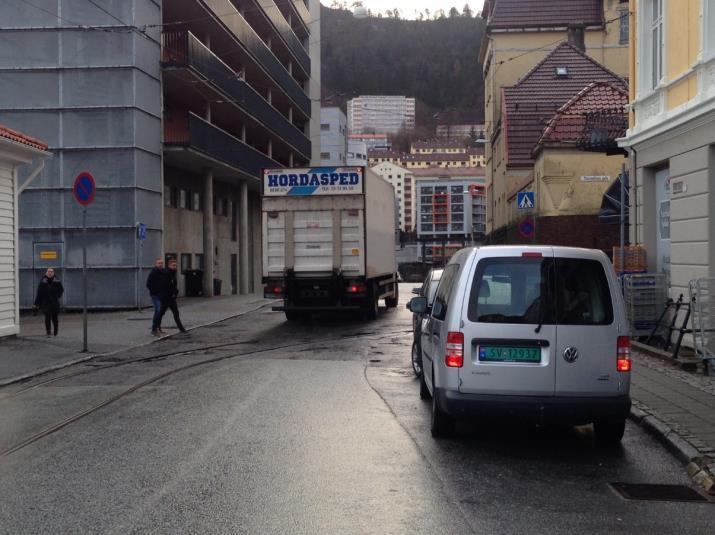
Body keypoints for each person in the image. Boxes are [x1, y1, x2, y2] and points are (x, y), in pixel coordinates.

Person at [152, 257, 187, 335]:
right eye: (173, 265)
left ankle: (182, 329)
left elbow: (173, 284)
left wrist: (175, 293)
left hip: (171, 297)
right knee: (161, 313)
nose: (175, 267)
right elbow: (166, 285)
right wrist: (173, 292)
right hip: (166, 297)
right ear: (169, 266)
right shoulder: (166, 273)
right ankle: (154, 328)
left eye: (175, 265)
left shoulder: (172, 273)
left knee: (175, 313)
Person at [33, 268, 64, 336]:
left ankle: (55, 330)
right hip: (46, 302)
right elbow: (39, 293)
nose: (50, 273)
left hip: (54, 302)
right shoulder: (43, 281)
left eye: (51, 271)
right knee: (47, 317)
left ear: (53, 273)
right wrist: (36, 304)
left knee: (55, 318)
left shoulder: (57, 281)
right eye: (49, 271)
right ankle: (48, 332)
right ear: (46, 273)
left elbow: (61, 290)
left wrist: (57, 296)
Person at [146, 257, 165, 335]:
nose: (160, 264)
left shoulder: (163, 272)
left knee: (160, 311)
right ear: (156, 264)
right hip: (155, 295)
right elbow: (148, 284)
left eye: (161, 263)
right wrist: (155, 291)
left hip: (162, 295)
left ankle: (158, 328)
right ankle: (154, 329)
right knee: (158, 310)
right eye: (159, 263)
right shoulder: (153, 273)